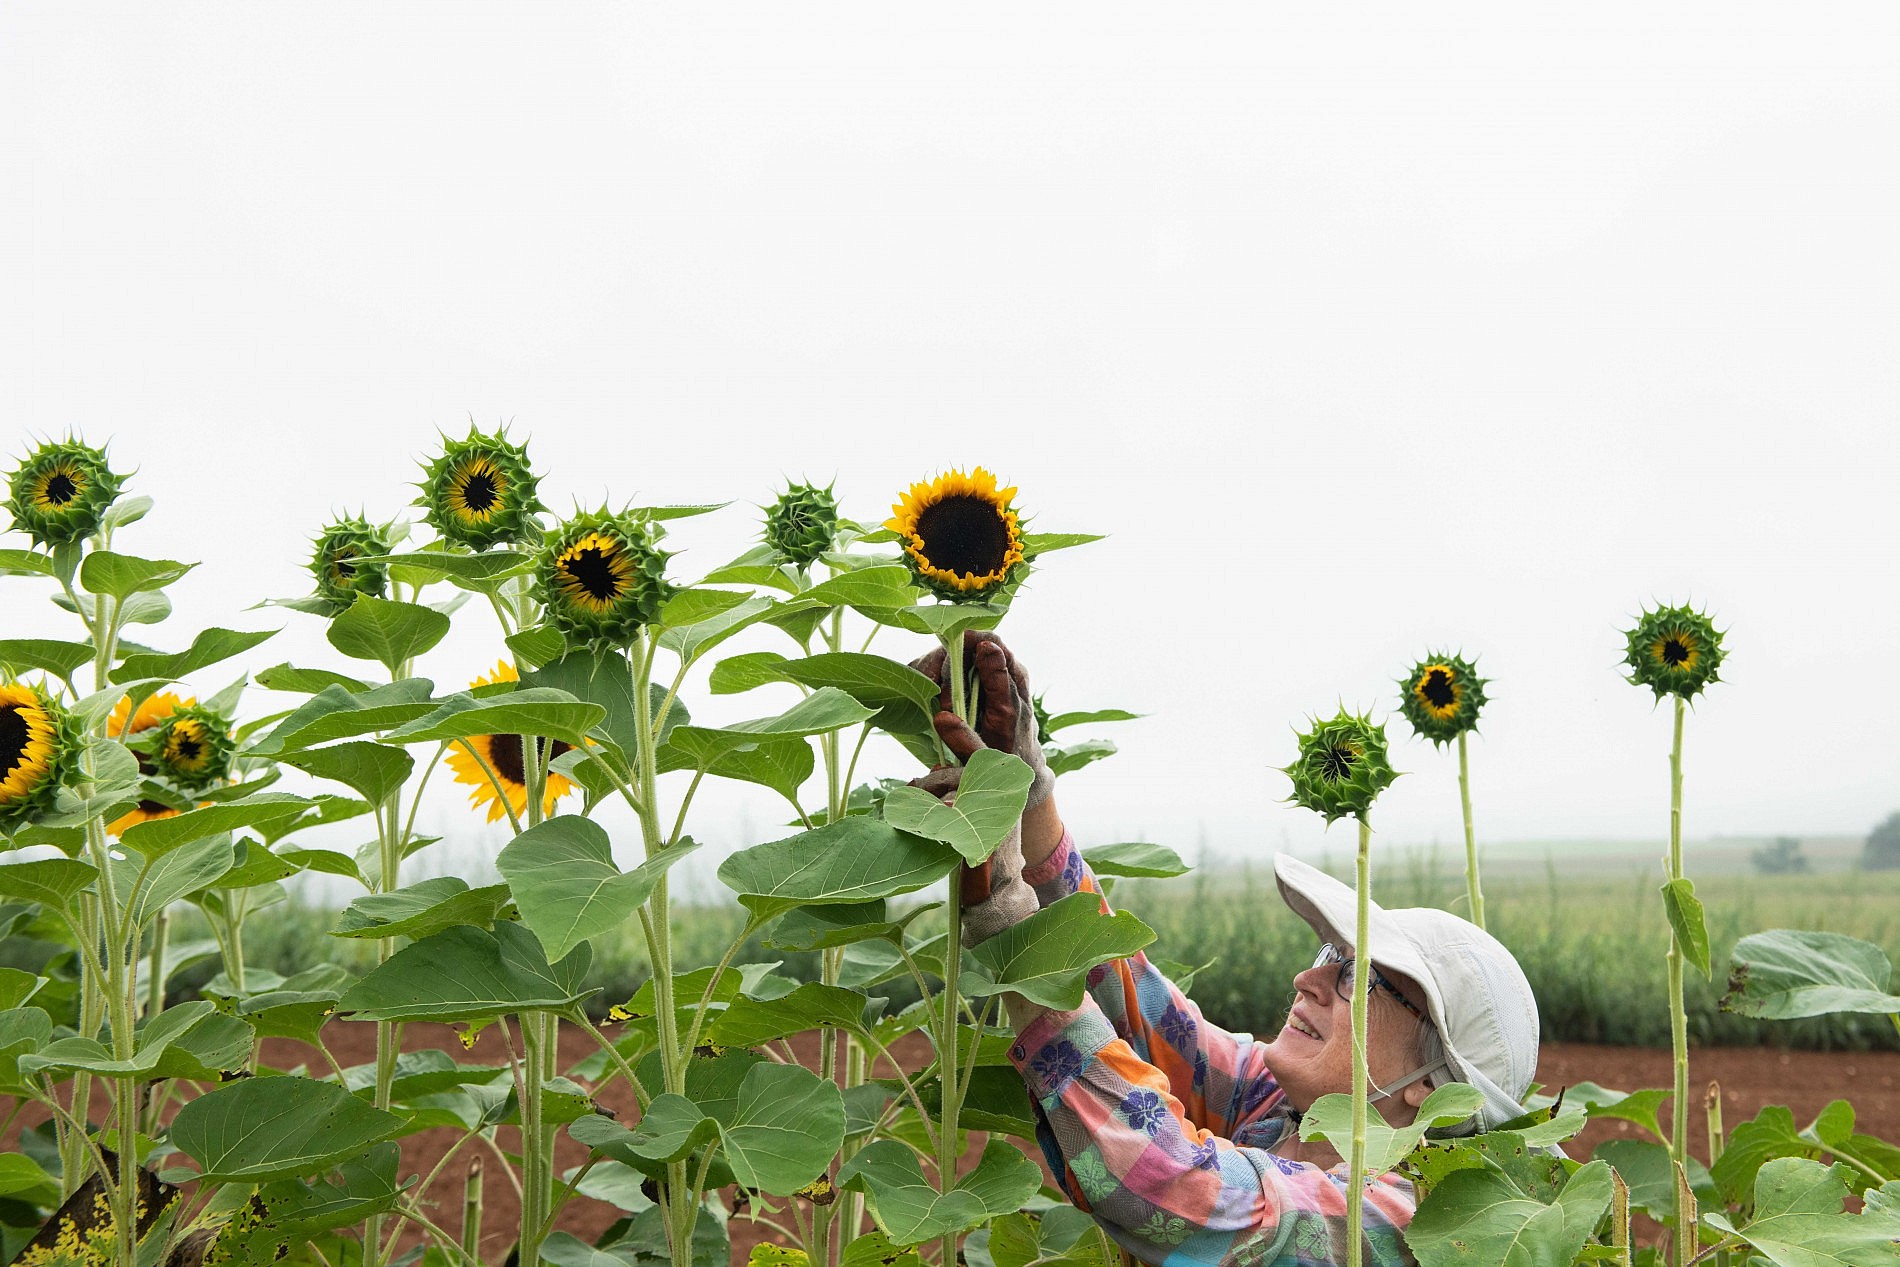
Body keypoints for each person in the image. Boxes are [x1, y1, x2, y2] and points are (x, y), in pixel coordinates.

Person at [909, 633, 1545, 1267]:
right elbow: (1147, 1019)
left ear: (1429, 1085)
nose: (1307, 981)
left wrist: (1011, 925)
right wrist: (1024, 785)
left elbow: (1175, 1185)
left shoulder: (1410, 1217)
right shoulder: (1280, 1109)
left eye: (1358, 978)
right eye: (1331, 959)